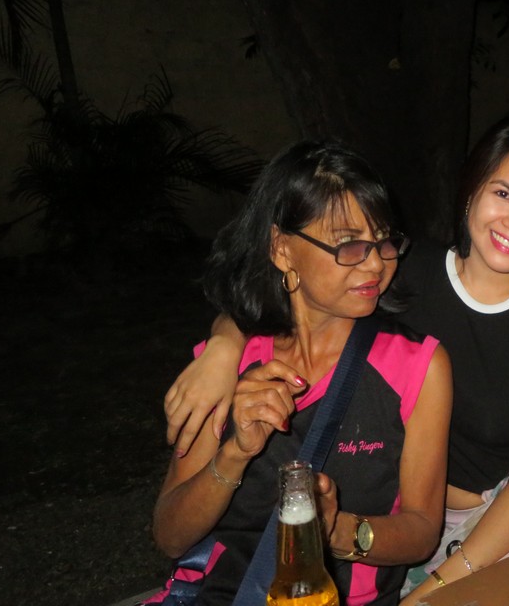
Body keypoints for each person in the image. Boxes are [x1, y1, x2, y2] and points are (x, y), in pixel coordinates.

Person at [163, 117, 509, 602]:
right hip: (421, 522)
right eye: (504, 194)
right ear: (471, 190)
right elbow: (292, 294)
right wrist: (223, 348)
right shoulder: (400, 269)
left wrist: (439, 584)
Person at [149, 140, 452, 606]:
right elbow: (170, 536)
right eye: (349, 244)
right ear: (282, 250)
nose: (376, 263)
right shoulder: (227, 366)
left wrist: (335, 529)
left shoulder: (416, 365)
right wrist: (234, 454)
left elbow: (422, 531)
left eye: (384, 241)